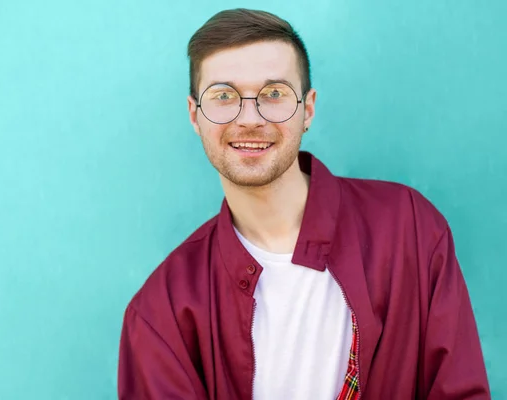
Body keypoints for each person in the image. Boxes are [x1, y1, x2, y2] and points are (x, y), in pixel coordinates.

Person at [117, 8, 490, 400]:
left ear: (307, 109)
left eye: (273, 94)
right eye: (223, 96)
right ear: (195, 116)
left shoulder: (410, 230)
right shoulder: (161, 312)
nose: (249, 118)